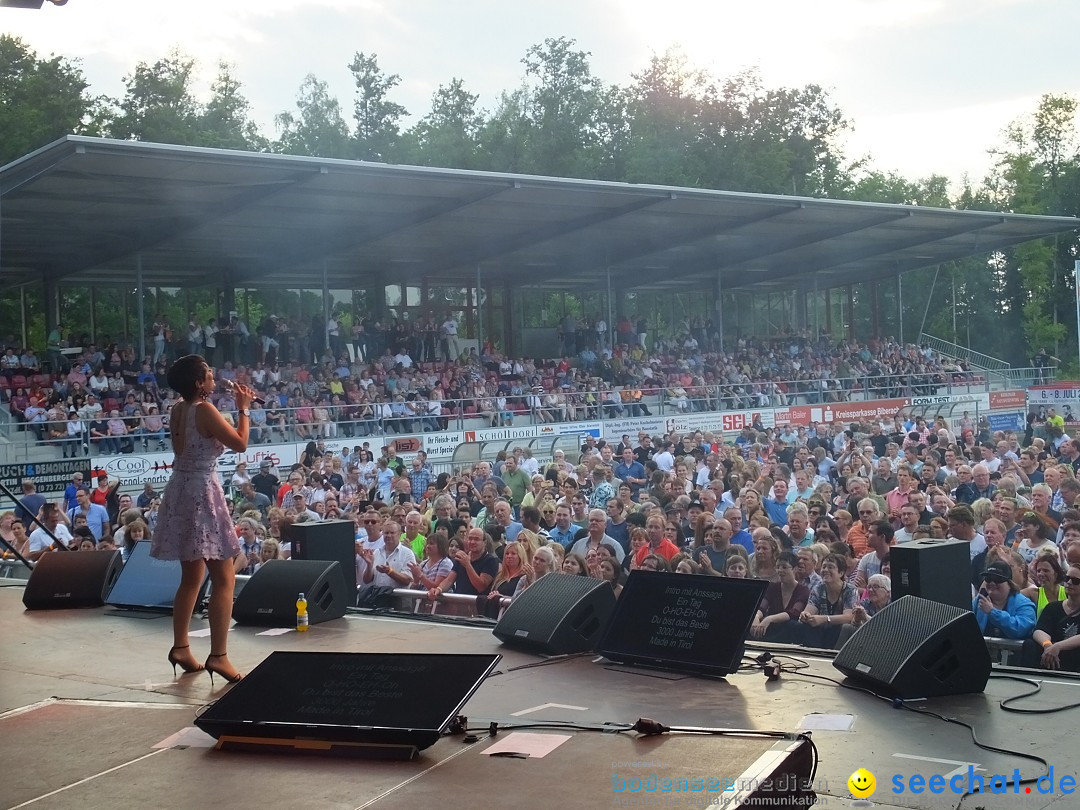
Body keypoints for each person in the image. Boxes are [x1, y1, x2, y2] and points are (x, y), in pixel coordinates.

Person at [150, 355, 255, 684]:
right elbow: (239, 444)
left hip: (180, 489)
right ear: (198, 383)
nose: (213, 378)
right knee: (224, 578)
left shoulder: (177, 409)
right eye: (209, 374)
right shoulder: (204, 410)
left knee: (191, 577)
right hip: (202, 493)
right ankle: (219, 656)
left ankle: (181, 646)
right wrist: (244, 408)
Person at [1021, 565, 1080, 672]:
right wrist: (1047, 645)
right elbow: (1039, 630)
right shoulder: (1053, 607)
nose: (1069, 582)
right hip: (1050, 657)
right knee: (1030, 644)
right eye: (1067, 578)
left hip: (1074, 662)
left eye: (1075, 581)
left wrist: (1058, 646)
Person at [750, 552, 809, 642]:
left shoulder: (803, 590)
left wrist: (770, 619)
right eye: (778, 567)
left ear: (795, 569)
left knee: (792, 625)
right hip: (772, 630)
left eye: (784, 567)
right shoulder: (772, 587)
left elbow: (794, 612)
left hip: (789, 632)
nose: (780, 571)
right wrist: (756, 617)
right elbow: (762, 607)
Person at [973, 561, 1036, 640]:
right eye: (988, 579)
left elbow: (1020, 630)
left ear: (1009, 584)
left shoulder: (1024, 604)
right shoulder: (980, 600)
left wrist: (992, 612)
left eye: (997, 579)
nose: (992, 583)